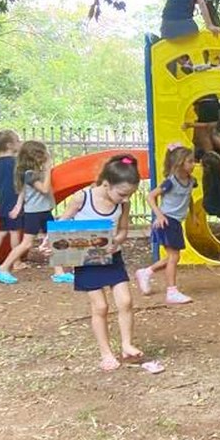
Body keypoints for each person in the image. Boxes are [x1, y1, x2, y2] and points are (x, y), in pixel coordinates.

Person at [58, 154, 145, 371]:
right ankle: (106, 353)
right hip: (86, 259)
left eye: (130, 195)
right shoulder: (82, 198)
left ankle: (126, 345)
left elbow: (123, 230)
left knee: (125, 301)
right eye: (122, 194)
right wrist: (50, 243)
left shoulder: (123, 204)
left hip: (112, 257)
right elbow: (62, 223)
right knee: (100, 306)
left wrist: (116, 241)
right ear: (106, 185)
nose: (125, 199)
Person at [0, 140, 71, 285]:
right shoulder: (29, 174)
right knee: (27, 244)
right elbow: (44, 189)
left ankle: (59, 273)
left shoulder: (34, 172)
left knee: (54, 240)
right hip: (34, 213)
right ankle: (2, 269)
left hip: (44, 211)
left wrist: (17, 206)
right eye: (45, 153)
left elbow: (23, 191)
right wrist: (48, 170)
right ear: (37, 156)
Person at [136, 144, 196, 305]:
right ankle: (172, 291)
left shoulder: (191, 181)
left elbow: (188, 197)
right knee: (174, 257)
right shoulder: (170, 182)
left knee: (172, 257)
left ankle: (146, 272)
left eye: (193, 161)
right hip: (167, 221)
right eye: (190, 161)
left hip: (176, 222)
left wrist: (193, 214)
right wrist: (160, 215)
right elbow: (150, 196)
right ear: (180, 163)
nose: (194, 164)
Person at [0, 130, 23, 269]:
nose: (20, 143)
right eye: (17, 140)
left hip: (2, 202)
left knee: (1, 232)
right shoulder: (15, 163)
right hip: (14, 202)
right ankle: (16, 262)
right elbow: (23, 181)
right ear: (9, 145)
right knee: (14, 232)